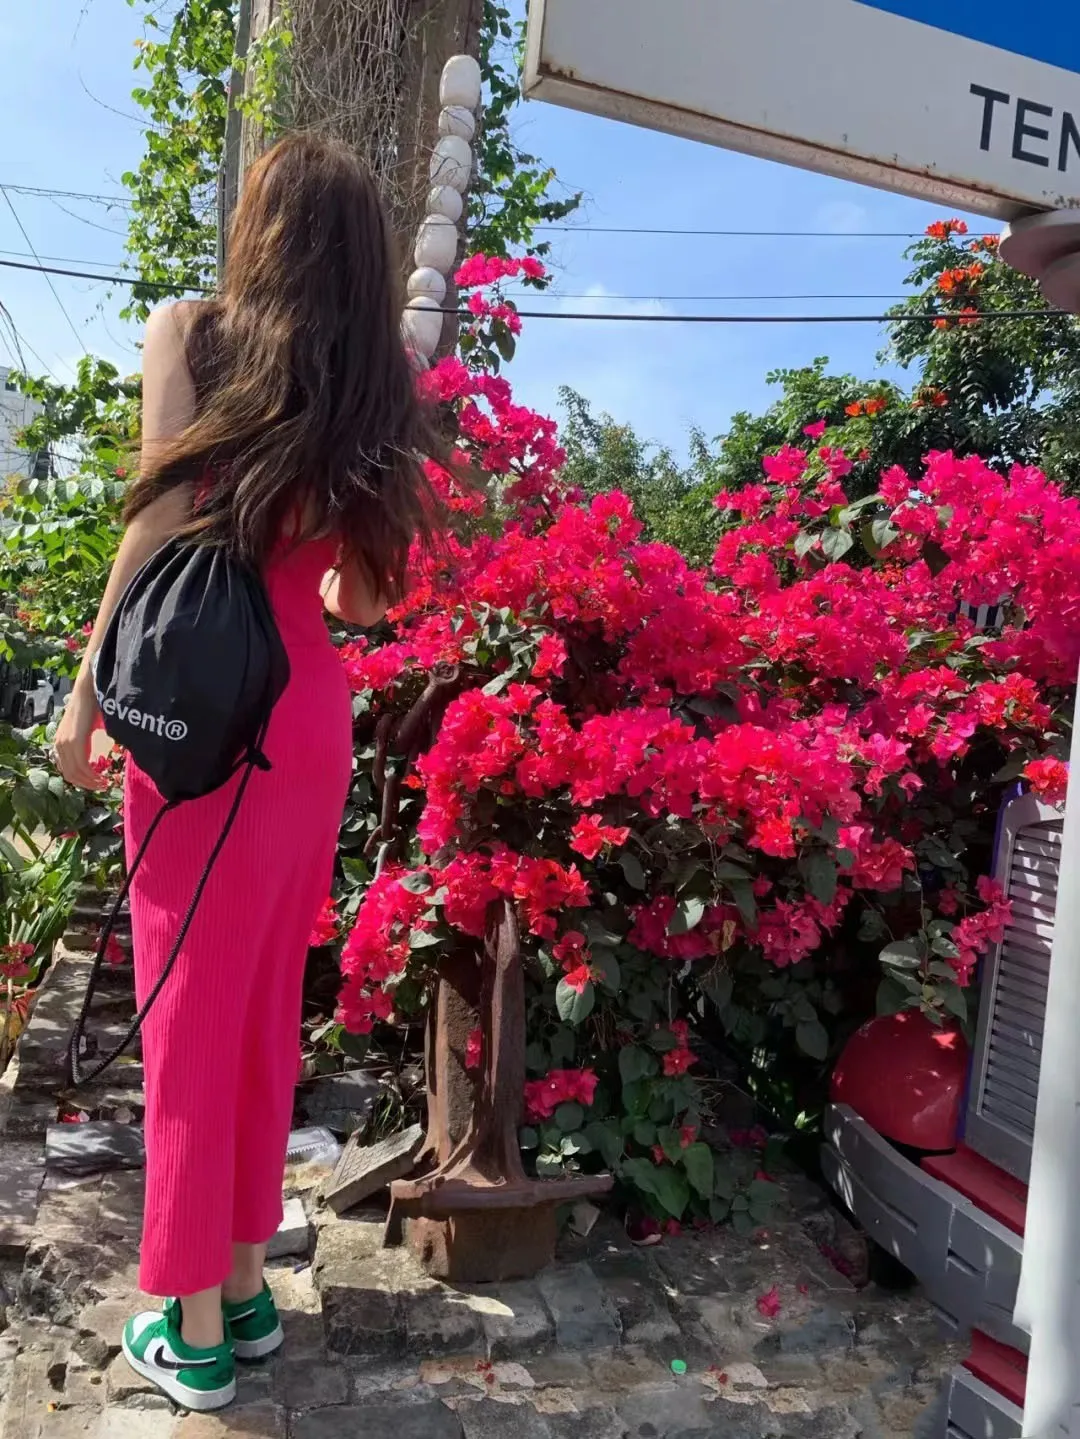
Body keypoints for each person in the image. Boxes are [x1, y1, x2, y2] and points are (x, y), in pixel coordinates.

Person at [53, 133, 443, 1412]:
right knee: (267, 991)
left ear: (260, 228)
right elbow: (370, 598)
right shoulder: (378, 384)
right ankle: (242, 1278)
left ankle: (194, 1325)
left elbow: (155, 527)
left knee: (184, 1005)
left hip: (191, 703)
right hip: (304, 708)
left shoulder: (191, 335)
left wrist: (83, 689)